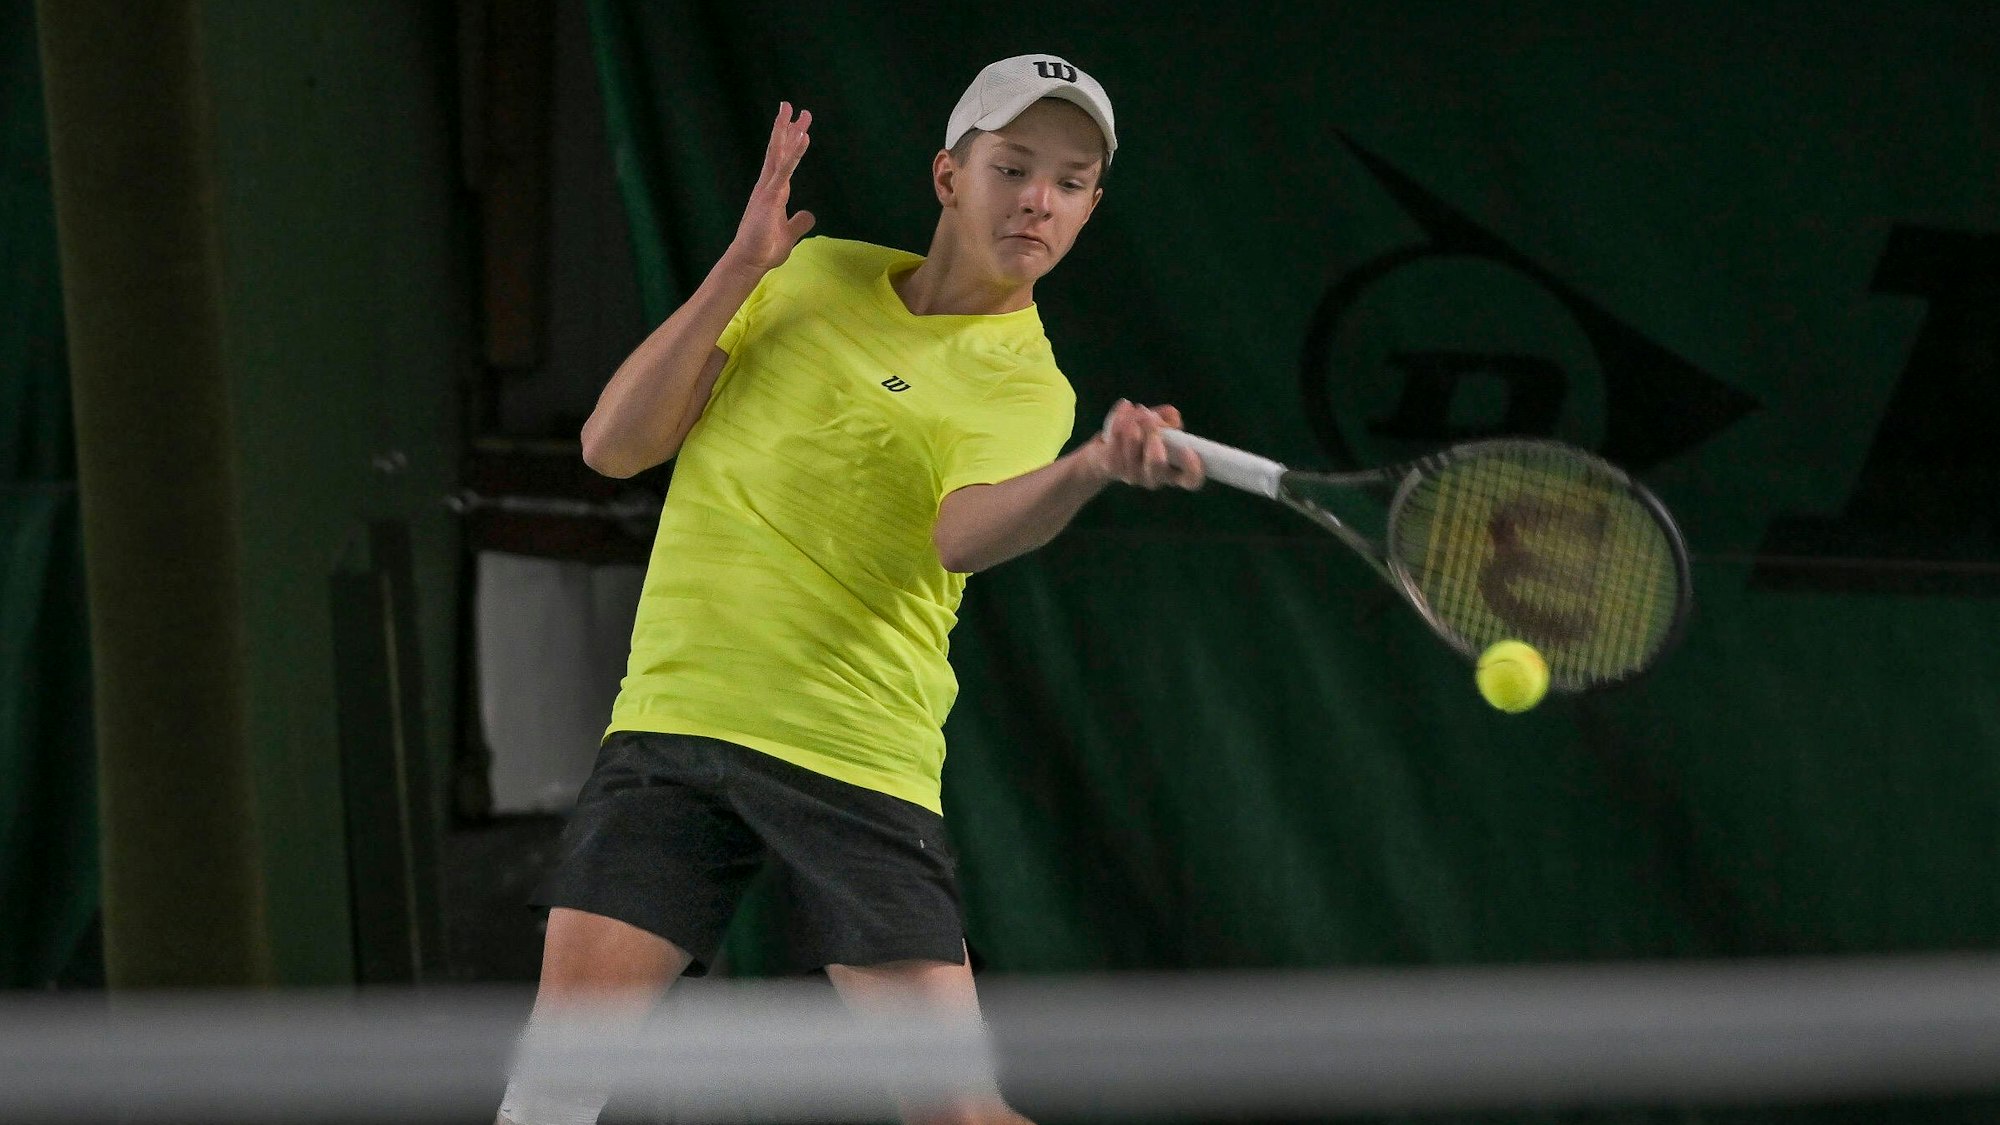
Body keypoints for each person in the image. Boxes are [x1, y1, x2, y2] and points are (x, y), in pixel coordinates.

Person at [497, 53, 1202, 1125]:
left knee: (955, 1117)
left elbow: (959, 538)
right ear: (946, 177)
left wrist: (1090, 467)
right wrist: (736, 271)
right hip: (674, 721)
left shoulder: (1024, 382)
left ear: (1090, 206)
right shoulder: (805, 273)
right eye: (1013, 166)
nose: (1037, 201)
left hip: (848, 753)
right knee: (550, 1089)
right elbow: (612, 444)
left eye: (1069, 182)